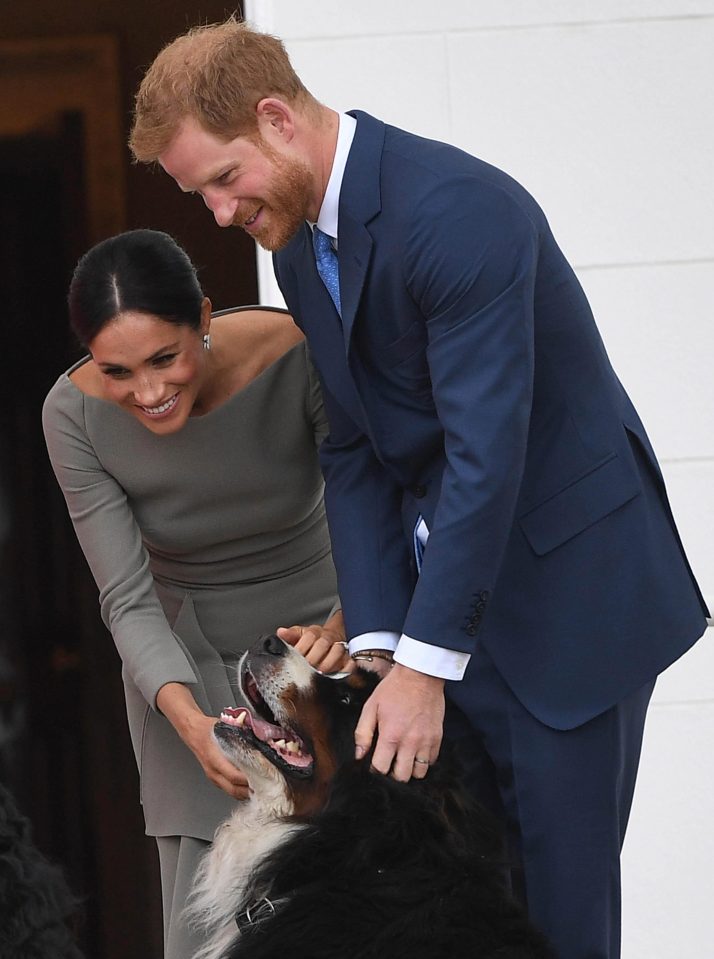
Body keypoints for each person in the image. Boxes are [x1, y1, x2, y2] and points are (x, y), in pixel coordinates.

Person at [128, 20, 710, 959]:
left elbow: (488, 452)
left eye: (223, 179)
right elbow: (356, 453)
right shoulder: (295, 251)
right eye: (200, 194)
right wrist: (378, 647)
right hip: (450, 619)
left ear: (276, 118)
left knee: (554, 926)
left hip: (571, 609)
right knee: (449, 917)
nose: (220, 214)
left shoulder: (459, 211)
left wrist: (424, 666)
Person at [42, 228, 348, 959]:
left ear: (204, 319)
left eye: (164, 358)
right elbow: (127, 598)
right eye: (117, 371)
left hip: (326, 651)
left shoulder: (298, 350)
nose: (147, 391)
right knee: (207, 928)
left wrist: (349, 625)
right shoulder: (72, 416)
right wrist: (190, 723)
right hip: (188, 673)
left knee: (355, 894)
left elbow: (376, 502)